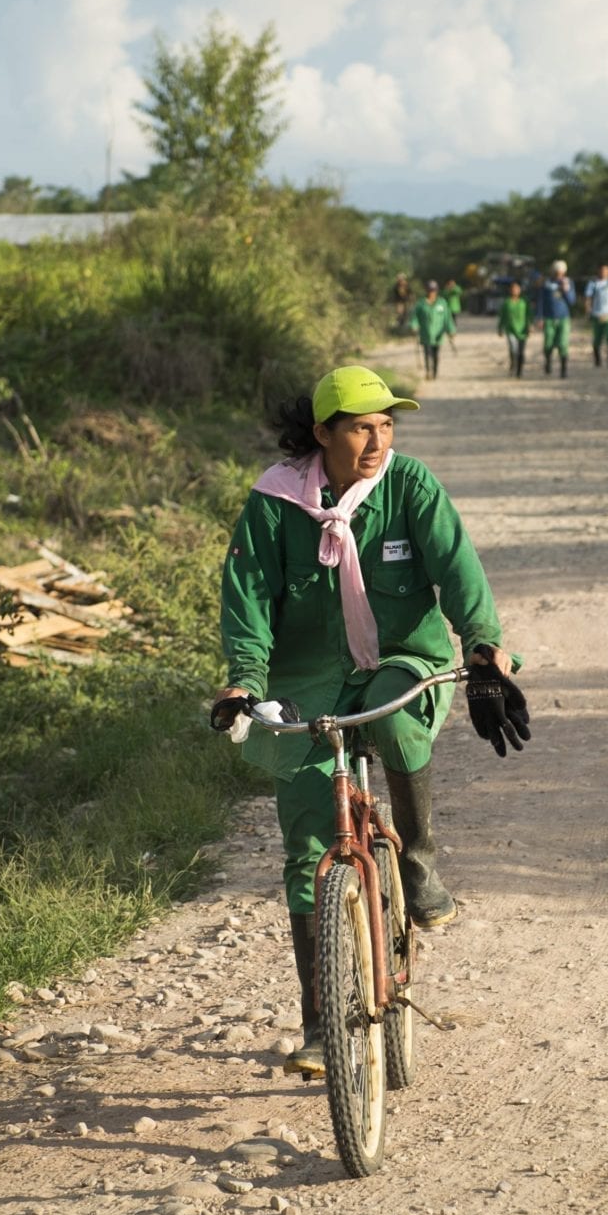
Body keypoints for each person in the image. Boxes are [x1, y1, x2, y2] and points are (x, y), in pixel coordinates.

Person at [210, 366, 527, 1077]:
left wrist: (484, 646)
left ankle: (417, 860)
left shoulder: (410, 486)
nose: (377, 438)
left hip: (398, 659)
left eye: (386, 424)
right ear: (322, 433)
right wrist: (245, 681)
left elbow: (460, 570)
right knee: (305, 852)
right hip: (307, 679)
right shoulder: (273, 504)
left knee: (395, 721)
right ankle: (320, 1023)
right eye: (360, 425)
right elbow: (250, 602)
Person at [535, 259, 575, 379]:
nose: (559, 275)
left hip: (563, 318)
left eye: (561, 273)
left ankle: (563, 369)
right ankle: (548, 363)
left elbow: (572, 301)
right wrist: (539, 317)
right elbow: (541, 301)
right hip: (549, 318)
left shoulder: (568, 283)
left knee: (563, 344)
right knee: (548, 344)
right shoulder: (546, 283)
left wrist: (565, 290)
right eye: (557, 272)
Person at [410, 280, 455, 378]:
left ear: (437, 291)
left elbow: (447, 318)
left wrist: (451, 330)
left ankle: (435, 372)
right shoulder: (421, 304)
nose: (432, 293)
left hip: (438, 334)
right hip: (426, 334)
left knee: (435, 354)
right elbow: (415, 317)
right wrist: (414, 326)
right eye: (430, 290)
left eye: (433, 290)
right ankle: (428, 371)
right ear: (426, 290)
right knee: (427, 353)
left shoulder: (442, 303)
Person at [496, 279, 531, 378]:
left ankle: (519, 371)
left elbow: (529, 315)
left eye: (517, 289)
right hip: (511, 329)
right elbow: (502, 316)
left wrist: (530, 325)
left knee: (521, 351)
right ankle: (513, 365)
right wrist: (500, 328)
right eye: (513, 289)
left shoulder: (524, 301)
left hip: (523, 330)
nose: (515, 291)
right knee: (513, 349)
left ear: (520, 290)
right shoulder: (506, 303)